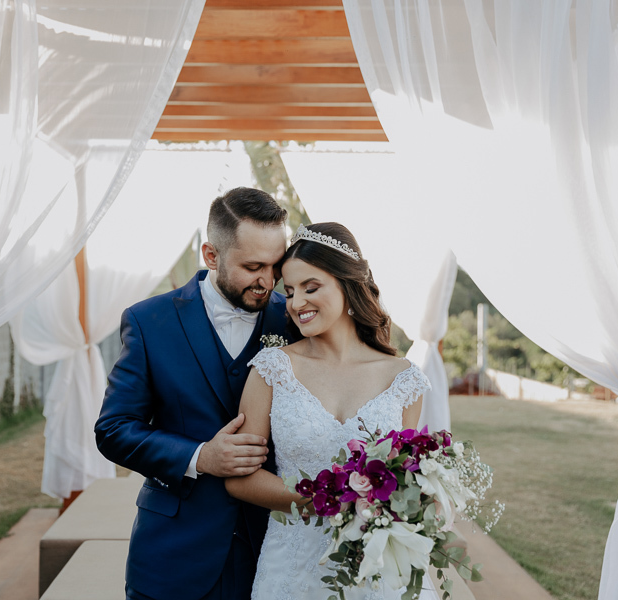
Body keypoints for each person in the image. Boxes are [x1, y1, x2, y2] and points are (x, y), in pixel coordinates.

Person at [95, 187, 292, 600]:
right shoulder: (149, 321)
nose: (268, 281)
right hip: (174, 553)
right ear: (211, 255)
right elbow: (114, 429)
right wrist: (199, 456)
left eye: (276, 265)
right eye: (253, 266)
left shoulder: (293, 321)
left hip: (275, 553)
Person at [224, 222, 432, 600]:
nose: (296, 303)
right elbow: (240, 479)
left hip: (377, 571)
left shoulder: (404, 380)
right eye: (288, 292)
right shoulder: (272, 369)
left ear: (347, 285)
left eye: (311, 287)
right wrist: (322, 497)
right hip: (291, 569)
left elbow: (407, 480)